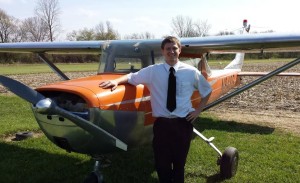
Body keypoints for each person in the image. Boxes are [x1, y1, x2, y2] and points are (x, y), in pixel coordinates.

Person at [99, 36, 212, 183]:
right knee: (161, 163)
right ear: (163, 51)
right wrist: (115, 81)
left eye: (174, 48)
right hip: (161, 124)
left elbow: (206, 90)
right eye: (168, 49)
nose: (171, 51)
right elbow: (131, 77)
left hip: (183, 124)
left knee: (179, 163)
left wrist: (198, 111)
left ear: (180, 50)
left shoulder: (191, 72)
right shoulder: (153, 71)